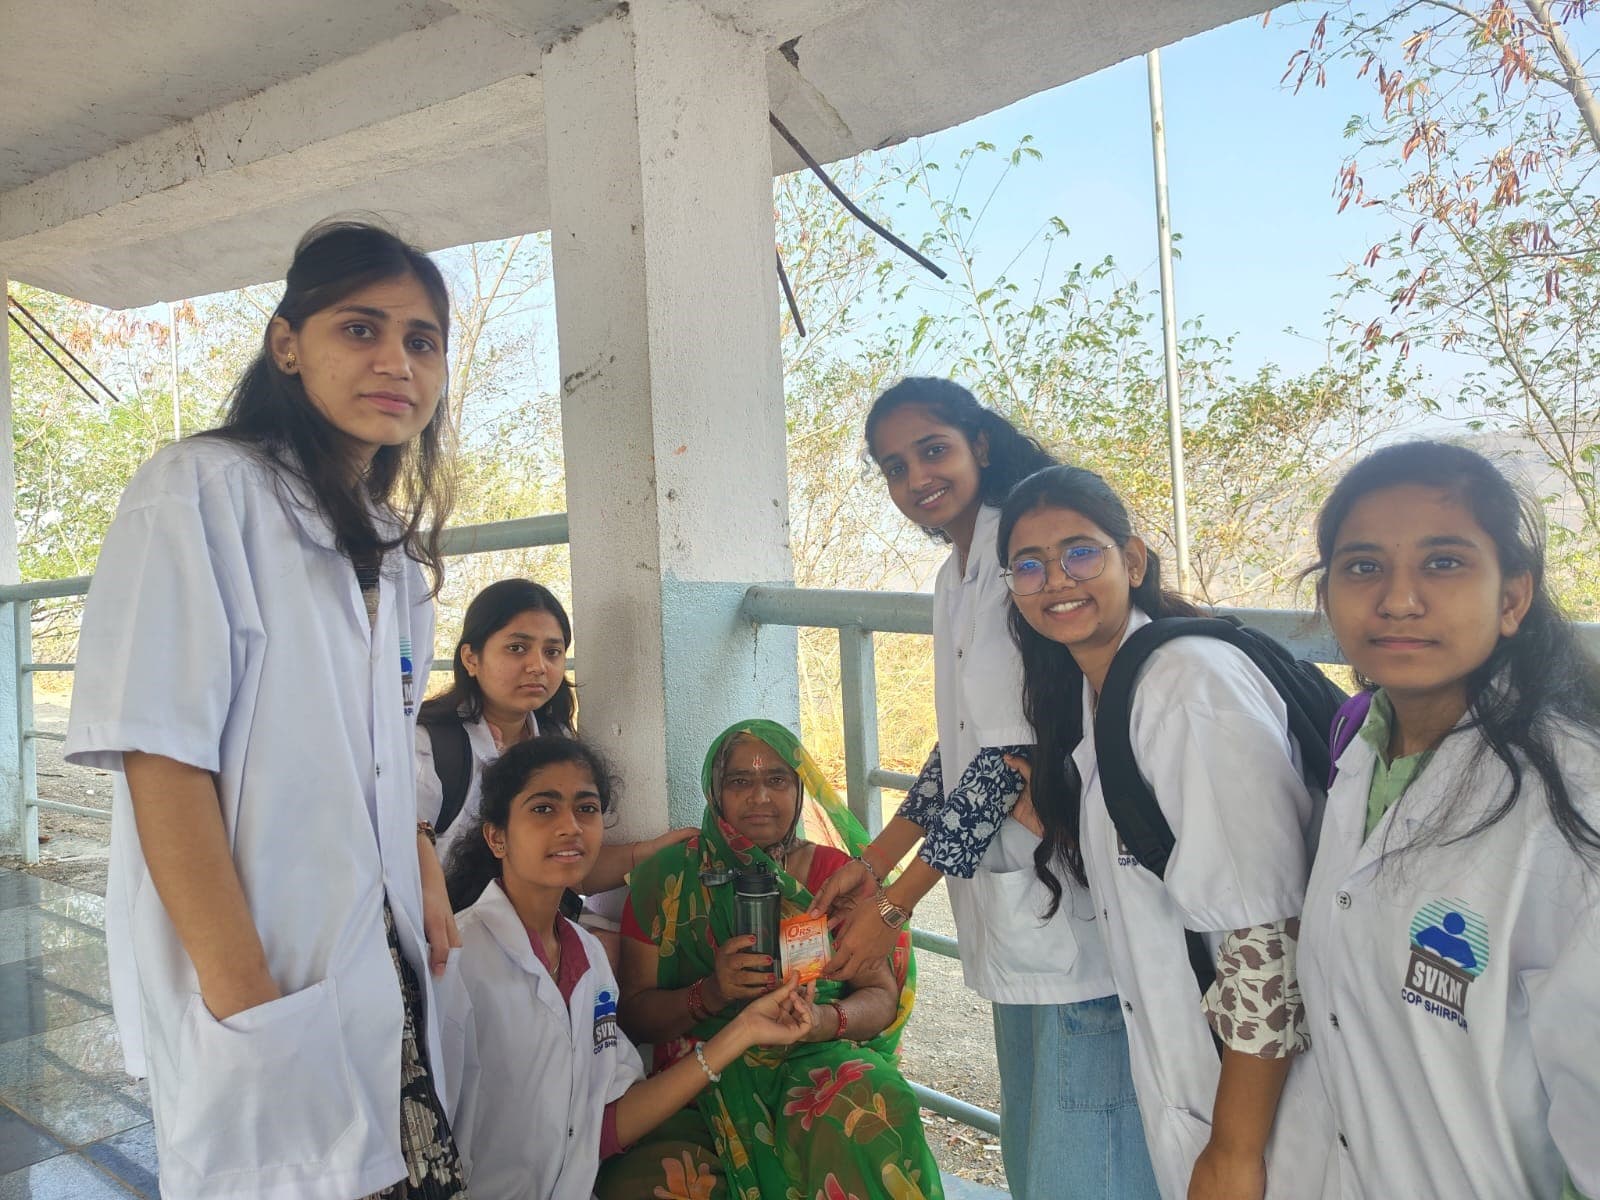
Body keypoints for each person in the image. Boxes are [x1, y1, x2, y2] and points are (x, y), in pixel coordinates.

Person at [63, 220, 468, 1199]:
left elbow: (379, 745)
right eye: (359, 330)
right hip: (257, 963)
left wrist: (422, 865)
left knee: (401, 1173)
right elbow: (160, 756)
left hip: (376, 948)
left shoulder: (388, 544)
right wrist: (243, 995)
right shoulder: (200, 490)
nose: (395, 362)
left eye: (421, 341)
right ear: (288, 344)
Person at [813, 378, 1153, 1198]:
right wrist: (874, 857)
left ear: (981, 447)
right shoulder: (954, 573)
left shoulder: (1018, 559)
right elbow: (962, 744)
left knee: (1086, 1165)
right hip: (1014, 898)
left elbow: (1011, 762)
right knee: (1036, 1156)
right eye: (895, 466)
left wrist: (893, 906)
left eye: (933, 450)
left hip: (1073, 898)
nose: (916, 479)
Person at [998, 464, 1331, 1200]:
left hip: (1274, 1114)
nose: (1056, 579)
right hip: (1208, 1087)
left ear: (1134, 560)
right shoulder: (1104, 691)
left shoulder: (1186, 686)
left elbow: (1266, 939)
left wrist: (1235, 1153)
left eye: (1080, 552)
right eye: (1029, 565)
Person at [1297, 441, 1600, 1199]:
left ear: (1512, 599)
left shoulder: (1574, 801)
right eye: (1363, 566)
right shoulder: (1363, 743)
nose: (1398, 600)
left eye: (1444, 563)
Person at [442, 735, 814, 1200]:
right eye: (543, 809)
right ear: (497, 836)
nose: (570, 827)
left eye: (587, 808)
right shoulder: (457, 958)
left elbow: (605, 1124)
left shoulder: (589, 957)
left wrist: (744, 1031)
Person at [597, 720, 944, 1200]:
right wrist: (710, 994)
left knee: (876, 1109)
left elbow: (881, 996)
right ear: (714, 791)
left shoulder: (833, 877)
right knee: (649, 1181)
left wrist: (822, 1019)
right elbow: (634, 1015)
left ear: (800, 789)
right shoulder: (669, 878)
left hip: (814, 1060)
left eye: (777, 780)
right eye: (740, 781)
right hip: (703, 1073)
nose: (760, 797)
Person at [416, 577, 693, 894]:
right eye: (517, 648)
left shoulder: (554, 739)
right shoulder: (429, 748)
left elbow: (569, 871)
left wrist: (651, 853)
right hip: (447, 935)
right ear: (471, 658)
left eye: (552, 651)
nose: (538, 666)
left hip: (528, 928)